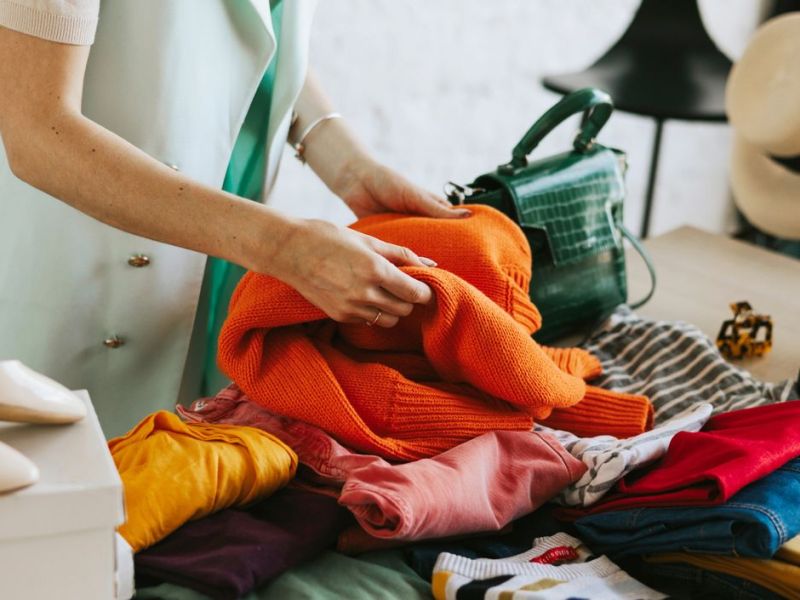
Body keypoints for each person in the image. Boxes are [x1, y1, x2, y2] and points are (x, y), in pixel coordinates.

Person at [0, 0, 470, 437]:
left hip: (223, 256)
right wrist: (282, 248)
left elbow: (255, 28)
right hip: (80, 282)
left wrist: (347, 164)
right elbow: (39, 131)